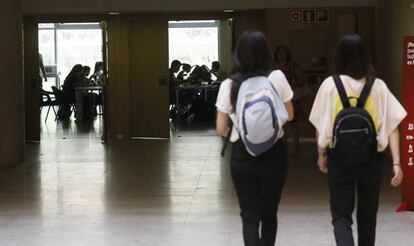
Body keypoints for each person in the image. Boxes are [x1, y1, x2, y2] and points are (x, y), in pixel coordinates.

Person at [309, 34, 406, 246]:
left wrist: (321, 155)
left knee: (341, 217)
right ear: (365, 57)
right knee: (368, 218)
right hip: (371, 161)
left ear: (339, 57)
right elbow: (393, 127)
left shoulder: (329, 85)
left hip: (339, 160)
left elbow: (320, 125)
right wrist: (397, 163)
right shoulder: (378, 86)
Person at [216, 30, 294, 246]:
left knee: (249, 215)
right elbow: (290, 114)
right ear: (266, 52)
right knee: (269, 214)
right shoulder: (276, 77)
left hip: (242, 156)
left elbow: (221, 127)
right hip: (275, 154)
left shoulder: (229, 84)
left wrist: (238, 134)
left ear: (238, 54)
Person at [274, 45, 308, 155]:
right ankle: (282, 146)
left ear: (287, 54)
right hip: (278, 98)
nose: (281, 55)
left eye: (283, 53)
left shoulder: (293, 66)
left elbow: (302, 79)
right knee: (280, 123)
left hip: (292, 97)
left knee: (293, 124)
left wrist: (289, 84)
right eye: (279, 53)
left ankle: (296, 147)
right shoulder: (275, 68)